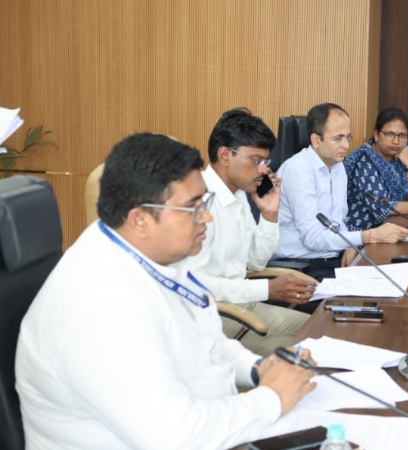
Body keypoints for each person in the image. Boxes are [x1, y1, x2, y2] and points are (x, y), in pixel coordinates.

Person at [15, 133, 316, 450]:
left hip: (213, 428)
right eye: (193, 207)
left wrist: (257, 369)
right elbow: (176, 437)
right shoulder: (101, 305)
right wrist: (271, 399)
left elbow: (209, 341)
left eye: (205, 201)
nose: (207, 217)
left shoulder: (159, 254)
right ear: (140, 220)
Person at [187, 108, 315, 356]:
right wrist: (268, 289)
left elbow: (256, 262)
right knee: (307, 353)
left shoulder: (237, 194)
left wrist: (269, 214)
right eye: (256, 160)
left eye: (265, 162)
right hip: (212, 316)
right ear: (225, 155)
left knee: (323, 331)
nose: (263, 170)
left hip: (244, 305)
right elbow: (195, 283)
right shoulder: (199, 201)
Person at [274, 103, 408, 287]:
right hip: (301, 267)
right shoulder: (299, 170)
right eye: (338, 138)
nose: (346, 145)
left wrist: (350, 244)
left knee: (397, 280)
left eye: (348, 137)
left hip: (332, 258)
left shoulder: (338, 166)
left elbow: (339, 221)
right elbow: (312, 238)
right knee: (370, 295)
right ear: (316, 140)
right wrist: (368, 236)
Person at [344, 107, 408, 230]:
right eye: (389, 134)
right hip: (364, 232)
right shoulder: (364, 161)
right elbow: (384, 208)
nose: (396, 141)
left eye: (402, 135)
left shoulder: (407, 154)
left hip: (396, 225)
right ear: (376, 135)